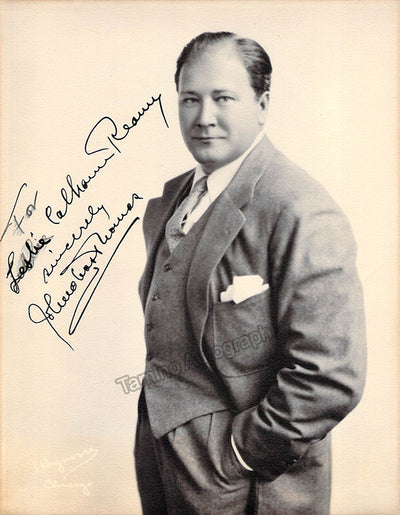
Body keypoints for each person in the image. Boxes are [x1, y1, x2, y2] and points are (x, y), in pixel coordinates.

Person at [135, 31, 366, 515]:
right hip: (163, 467)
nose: (204, 117)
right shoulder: (172, 198)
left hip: (247, 487)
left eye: (223, 98)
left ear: (262, 105)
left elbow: (330, 376)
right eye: (190, 99)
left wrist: (239, 455)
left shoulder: (300, 208)